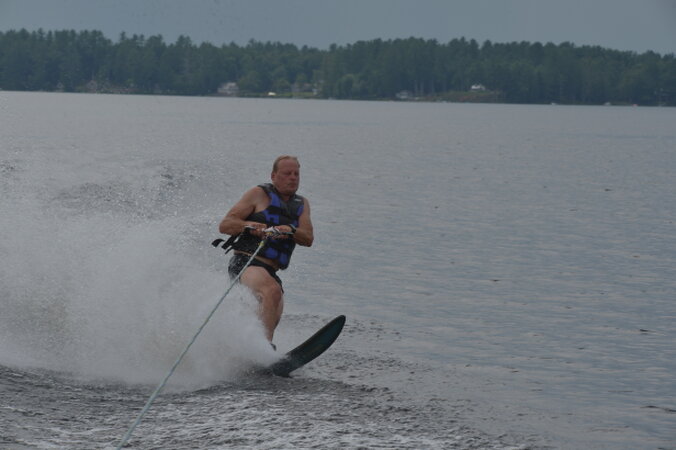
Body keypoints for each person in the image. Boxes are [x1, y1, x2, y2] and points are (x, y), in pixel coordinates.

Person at [218, 155, 313, 346]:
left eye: (296, 174)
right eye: (287, 173)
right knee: (272, 291)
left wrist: (291, 230)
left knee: (270, 315)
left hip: (271, 271)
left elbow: (308, 238)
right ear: (274, 176)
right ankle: (265, 350)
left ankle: (245, 351)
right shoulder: (258, 194)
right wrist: (249, 225)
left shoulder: (302, 204)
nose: (293, 177)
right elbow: (226, 225)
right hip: (246, 263)